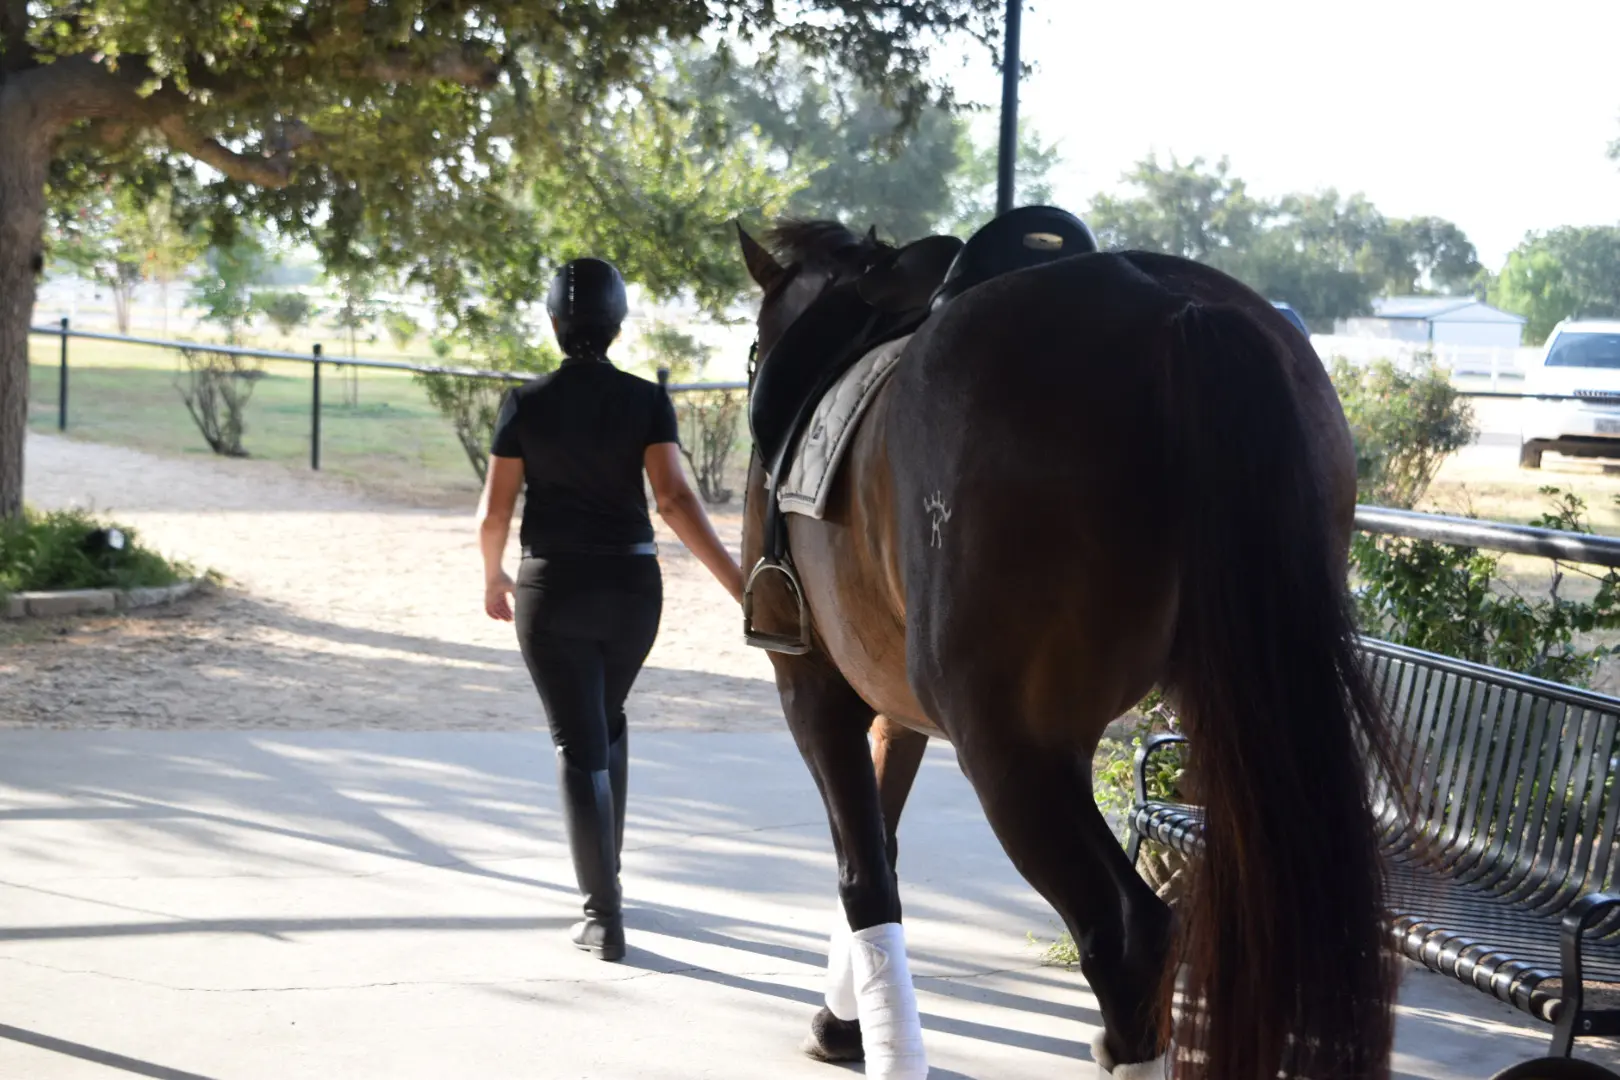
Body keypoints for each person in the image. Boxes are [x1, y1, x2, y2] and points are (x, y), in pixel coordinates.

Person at [478, 257, 745, 962]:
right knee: (609, 719)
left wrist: (492, 577)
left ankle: (603, 915)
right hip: (632, 591)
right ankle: (611, 878)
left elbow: (494, 510)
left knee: (579, 743)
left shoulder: (524, 403)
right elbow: (676, 501)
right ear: (619, 325)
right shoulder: (646, 399)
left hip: (552, 589)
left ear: (554, 322)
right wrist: (740, 582)